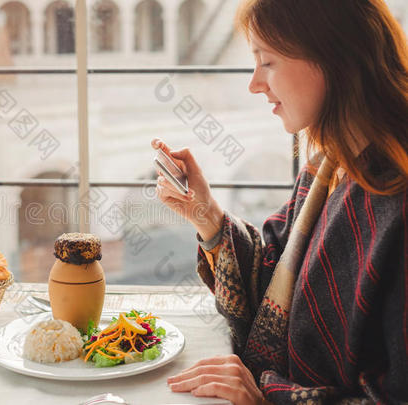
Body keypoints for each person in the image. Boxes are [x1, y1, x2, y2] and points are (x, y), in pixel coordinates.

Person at [152, 0, 408, 403]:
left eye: (267, 62)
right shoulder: (328, 166)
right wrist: (205, 214)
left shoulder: (396, 201)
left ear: (333, 56)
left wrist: (266, 400)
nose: (255, 83)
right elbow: (275, 287)